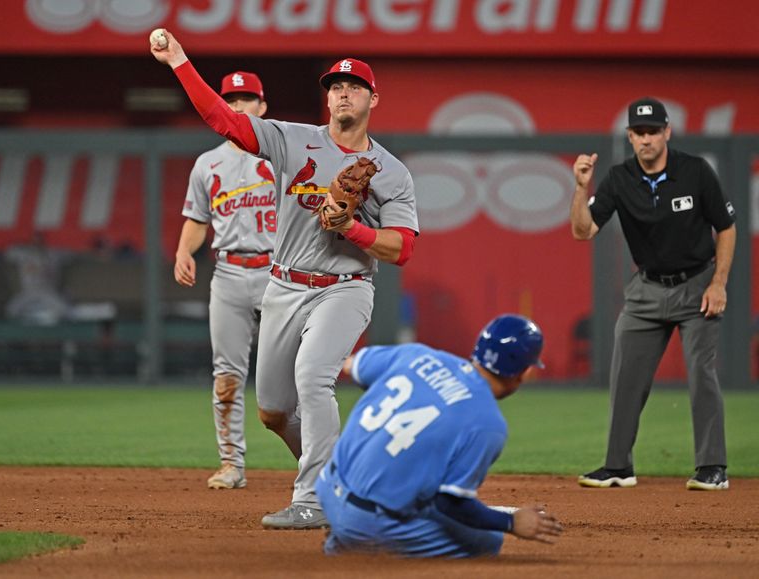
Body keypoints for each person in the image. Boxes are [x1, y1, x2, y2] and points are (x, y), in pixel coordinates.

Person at [152, 32, 419, 528]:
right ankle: (343, 473)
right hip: (284, 285)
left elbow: (403, 248)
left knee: (313, 378)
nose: (343, 92)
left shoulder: (391, 172)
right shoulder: (293, 138)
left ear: (373, 99)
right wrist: (179, 61)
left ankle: (314, 498)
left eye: (354, 86)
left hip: (345, 288)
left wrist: (352, 228)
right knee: (274, 411)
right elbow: (224, 120)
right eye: (335, 85)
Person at [571, 97, 736, 491]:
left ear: (667, 132)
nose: (646, 139)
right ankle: (618, 467)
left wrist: (719, 283)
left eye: (652, 131)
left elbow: (726, 228)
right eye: (638, 132)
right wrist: (581, 188)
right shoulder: (618, 178)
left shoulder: (695, 172)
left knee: (701, 375)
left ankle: (712, 467)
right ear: (630, 136)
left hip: (698, 284)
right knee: (625, 377)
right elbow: (583, 230)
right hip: (646, 289)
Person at [315, 314, 562, 557]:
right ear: (524, 372)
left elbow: (351, 365)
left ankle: (343, 529)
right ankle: (354, 546)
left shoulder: (418, 355)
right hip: (365, 521)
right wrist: (510, 523)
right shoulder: (489, 424)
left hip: (326, 487)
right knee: (487, 540)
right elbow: (452, 503)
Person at [174, 71, 276, 490]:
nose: (237, 106)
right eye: (230, 99)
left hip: (277, 272)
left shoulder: (280, 154)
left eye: (246, 98)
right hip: (230, 273)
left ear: (262, 107)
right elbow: (198, 219)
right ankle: (231, 464)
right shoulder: (208, 163)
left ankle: (312, 463)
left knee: (290, 377)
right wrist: (184, 250)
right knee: (227, 376)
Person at [5, 231, 69, 325]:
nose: (37, 242)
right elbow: (8, 252)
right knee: (10, 310)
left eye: (39, 239)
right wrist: (24, 240)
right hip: (28, 291)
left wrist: (55, 240)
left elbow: (71, 252)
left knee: (64, 310)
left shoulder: (53, 253)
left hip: (47, 291)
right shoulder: (23, 254)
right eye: (34, 239)